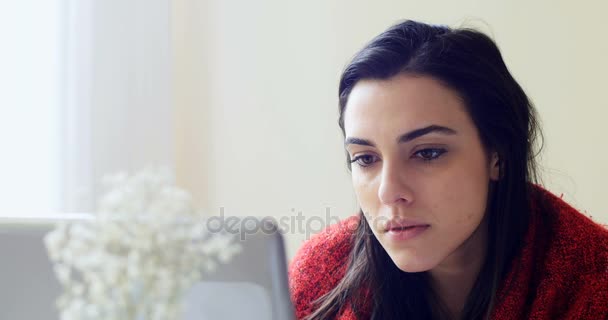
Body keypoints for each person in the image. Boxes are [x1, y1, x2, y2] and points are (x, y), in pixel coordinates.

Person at [288, 20, 608, 320]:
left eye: (427, 153)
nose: (389, 192)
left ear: (497, 155)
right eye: (365, 158)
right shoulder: (318, 275)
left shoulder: (594, 283)